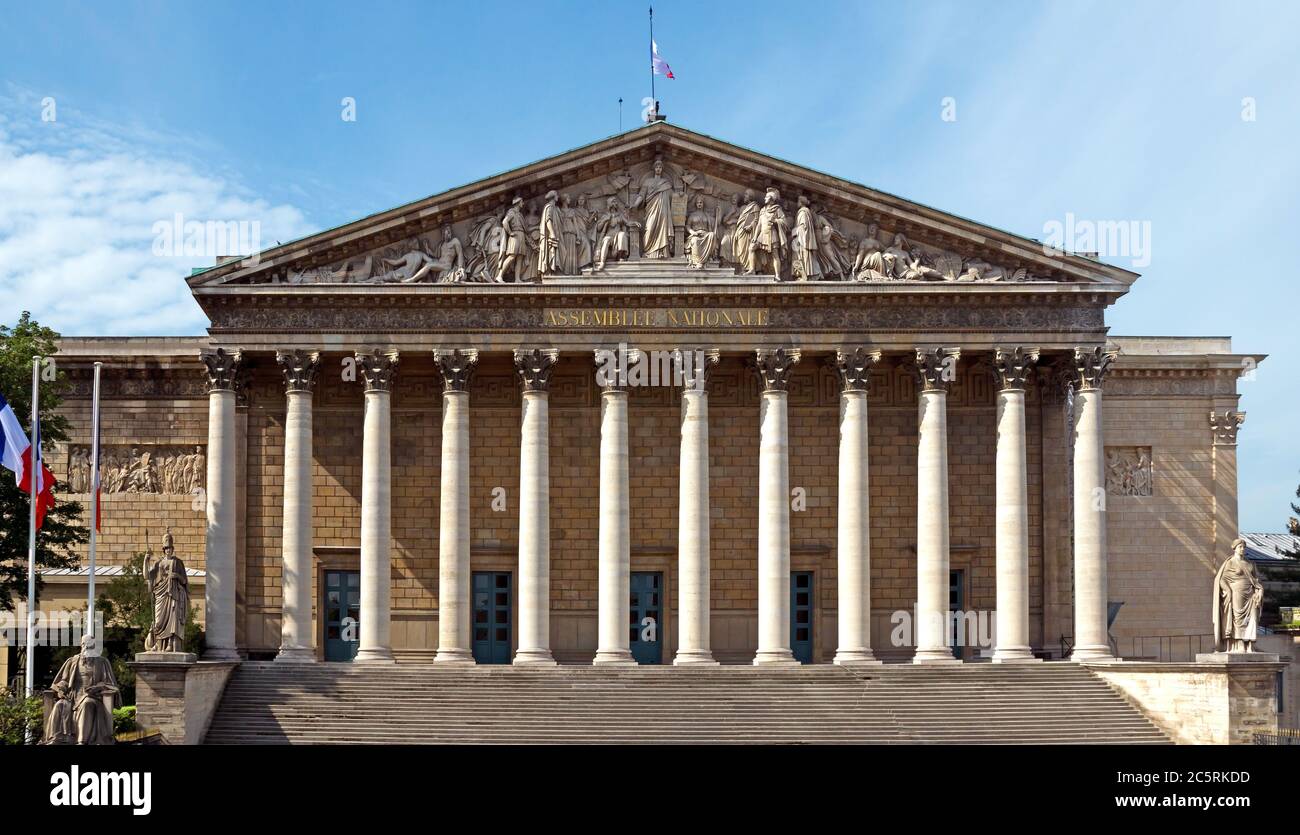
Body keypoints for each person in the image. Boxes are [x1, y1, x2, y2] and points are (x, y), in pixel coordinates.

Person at [44, 634, 118, 745]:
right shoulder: (73, 661)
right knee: (60, 705)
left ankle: (81, 741)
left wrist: (98, 687)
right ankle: (57, 738)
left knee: (87, 704)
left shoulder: (102, 662)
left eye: (89, 645)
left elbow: (110, 684)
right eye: (84, 644)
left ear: (94, 645)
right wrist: (61, 688)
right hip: (73, 696)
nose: (86, 647)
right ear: (81, 645)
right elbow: (64, 680)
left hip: (93, 697)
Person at [1213, 538, 1264, 652]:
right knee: (1238, 619)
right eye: (1240, 547)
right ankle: (1238, 644)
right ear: (1234, 548)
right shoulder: (1230, 562)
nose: (1242, 549)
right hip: (1236, 594)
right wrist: (1228, 591)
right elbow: (1222, 580)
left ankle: (1250, 645)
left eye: (1243, 547)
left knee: (1252, 618)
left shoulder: (1250, 563)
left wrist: (1259, 591)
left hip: (1251, 594)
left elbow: (1257, 580)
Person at [145, 529, 190, 653]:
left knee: (173, 619)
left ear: (172, 549)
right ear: (163, 550)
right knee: (158, 621)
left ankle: (171, 644)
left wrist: (177, 576)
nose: (168, 550)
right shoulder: (159, 563)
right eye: (166, 548)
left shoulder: (178, 562)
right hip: (161, 594)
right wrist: (146, 560)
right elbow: (147, 576)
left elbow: (185, 581)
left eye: (170, 548)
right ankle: (158, 645)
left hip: (174, 594)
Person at [632, 156, 674, 259]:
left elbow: (673, 197)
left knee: (663, 230)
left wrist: (681, 195)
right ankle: (648, 252)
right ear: (654, 168)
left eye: (660, 167)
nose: (658, 168)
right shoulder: (647, 182)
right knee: (649, 229)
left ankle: (662, 252)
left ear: (662, 168)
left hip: (663, 211)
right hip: (651, 211)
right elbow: (642, 195)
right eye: (656, 167)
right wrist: (635, 205)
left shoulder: (666, 183)